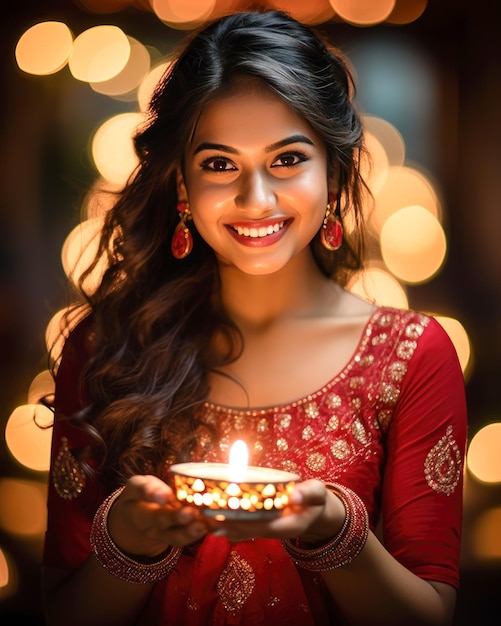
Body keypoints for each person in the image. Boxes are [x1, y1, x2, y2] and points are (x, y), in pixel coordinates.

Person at [41, 9, 467, 626]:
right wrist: (129, 547)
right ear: (182, 186)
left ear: (334, 171)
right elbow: (60, 611)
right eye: (219, 165)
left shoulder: (410, 357)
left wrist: (335, 532)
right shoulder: (108, 347)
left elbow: (432, 614)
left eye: (288, 159)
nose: (256, 199)